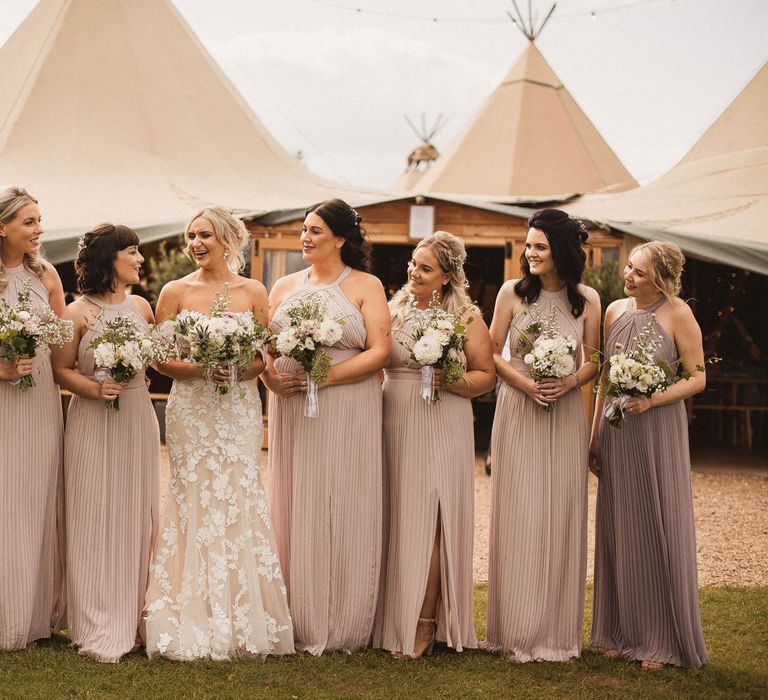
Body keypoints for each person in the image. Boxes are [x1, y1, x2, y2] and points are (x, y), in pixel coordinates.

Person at [144, 207, 293, 660]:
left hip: (238, 411)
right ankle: (189, 612)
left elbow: (260, 358)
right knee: (191, 498)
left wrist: (235, 370)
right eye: (190, 235)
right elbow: (158, 358)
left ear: (227, 238)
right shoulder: (173, 291)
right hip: (191, 410)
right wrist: (201, 369)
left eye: (204, 234)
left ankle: (242, 617)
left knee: (238, 497)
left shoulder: (254, 291)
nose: (195, 242)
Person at [264, 198, 390, 654]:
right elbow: (263, 344)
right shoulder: (282, 285)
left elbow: (380, 351)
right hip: (293, 406)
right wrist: (272, 382)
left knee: (344, 497)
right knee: (296, 496)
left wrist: (327, 376)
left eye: (315, 230)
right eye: (303, 228)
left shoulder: (365, 285)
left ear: (339, 238)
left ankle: (342, 616)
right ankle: (291, 611)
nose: (305, 236)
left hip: (348, 404)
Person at [485, 208, 600, 662]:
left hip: (566, 413)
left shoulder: (587, 299)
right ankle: (514, 627)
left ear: (563, 251)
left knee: (560, 513)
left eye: (540, 247)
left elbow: (595, 359)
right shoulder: (512, 293)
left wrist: (571, 381)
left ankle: (556, 632)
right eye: (528, 246)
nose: (530, 254)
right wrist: (526, 383)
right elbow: (490, 353)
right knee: (519, 512)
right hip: (519, 408)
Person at [375, 231, 495, 659]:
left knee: (433, 516)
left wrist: (453, 380)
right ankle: (390, 615)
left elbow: (486, 375)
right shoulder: (394, 308)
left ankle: (425, 622)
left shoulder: (466, 317)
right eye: (413, 263)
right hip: (395, 416)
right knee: (398, 515)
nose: (414, 272)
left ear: (446, 276)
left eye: (425, 268)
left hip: (441, 418)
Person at [589, 241, 708, 669]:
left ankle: (659, 638)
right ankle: (622, 633)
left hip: (657, 429)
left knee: (656, 522)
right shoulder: (615, 311)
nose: (628, 276)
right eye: (629, 268)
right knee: (620, 525)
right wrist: (595, 434)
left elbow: (697, 378)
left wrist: (653, 399)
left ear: (659, 277)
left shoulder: (679, 313)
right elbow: (604, 377)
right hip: (618, 431)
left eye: (638, 271)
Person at [51, 224, 160, 662]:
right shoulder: (77, 314)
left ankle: (134, 615)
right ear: (108, 258)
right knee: (92, 511)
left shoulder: (142, 308)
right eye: (132, 252)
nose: (140, 260)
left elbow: (156, 360)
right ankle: (95, 618)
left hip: (136, 417)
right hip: (92, 421)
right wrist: (94, 390)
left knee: (137, 513)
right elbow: (61, 371)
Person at [0, 186, 66, 650]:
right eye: (29, 222)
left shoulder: (46, 276)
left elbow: (63, 341)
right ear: (2, 227)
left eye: (40, 220)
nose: (39, 229)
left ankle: (32, 614)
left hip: (40, 398)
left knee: (35, 498)